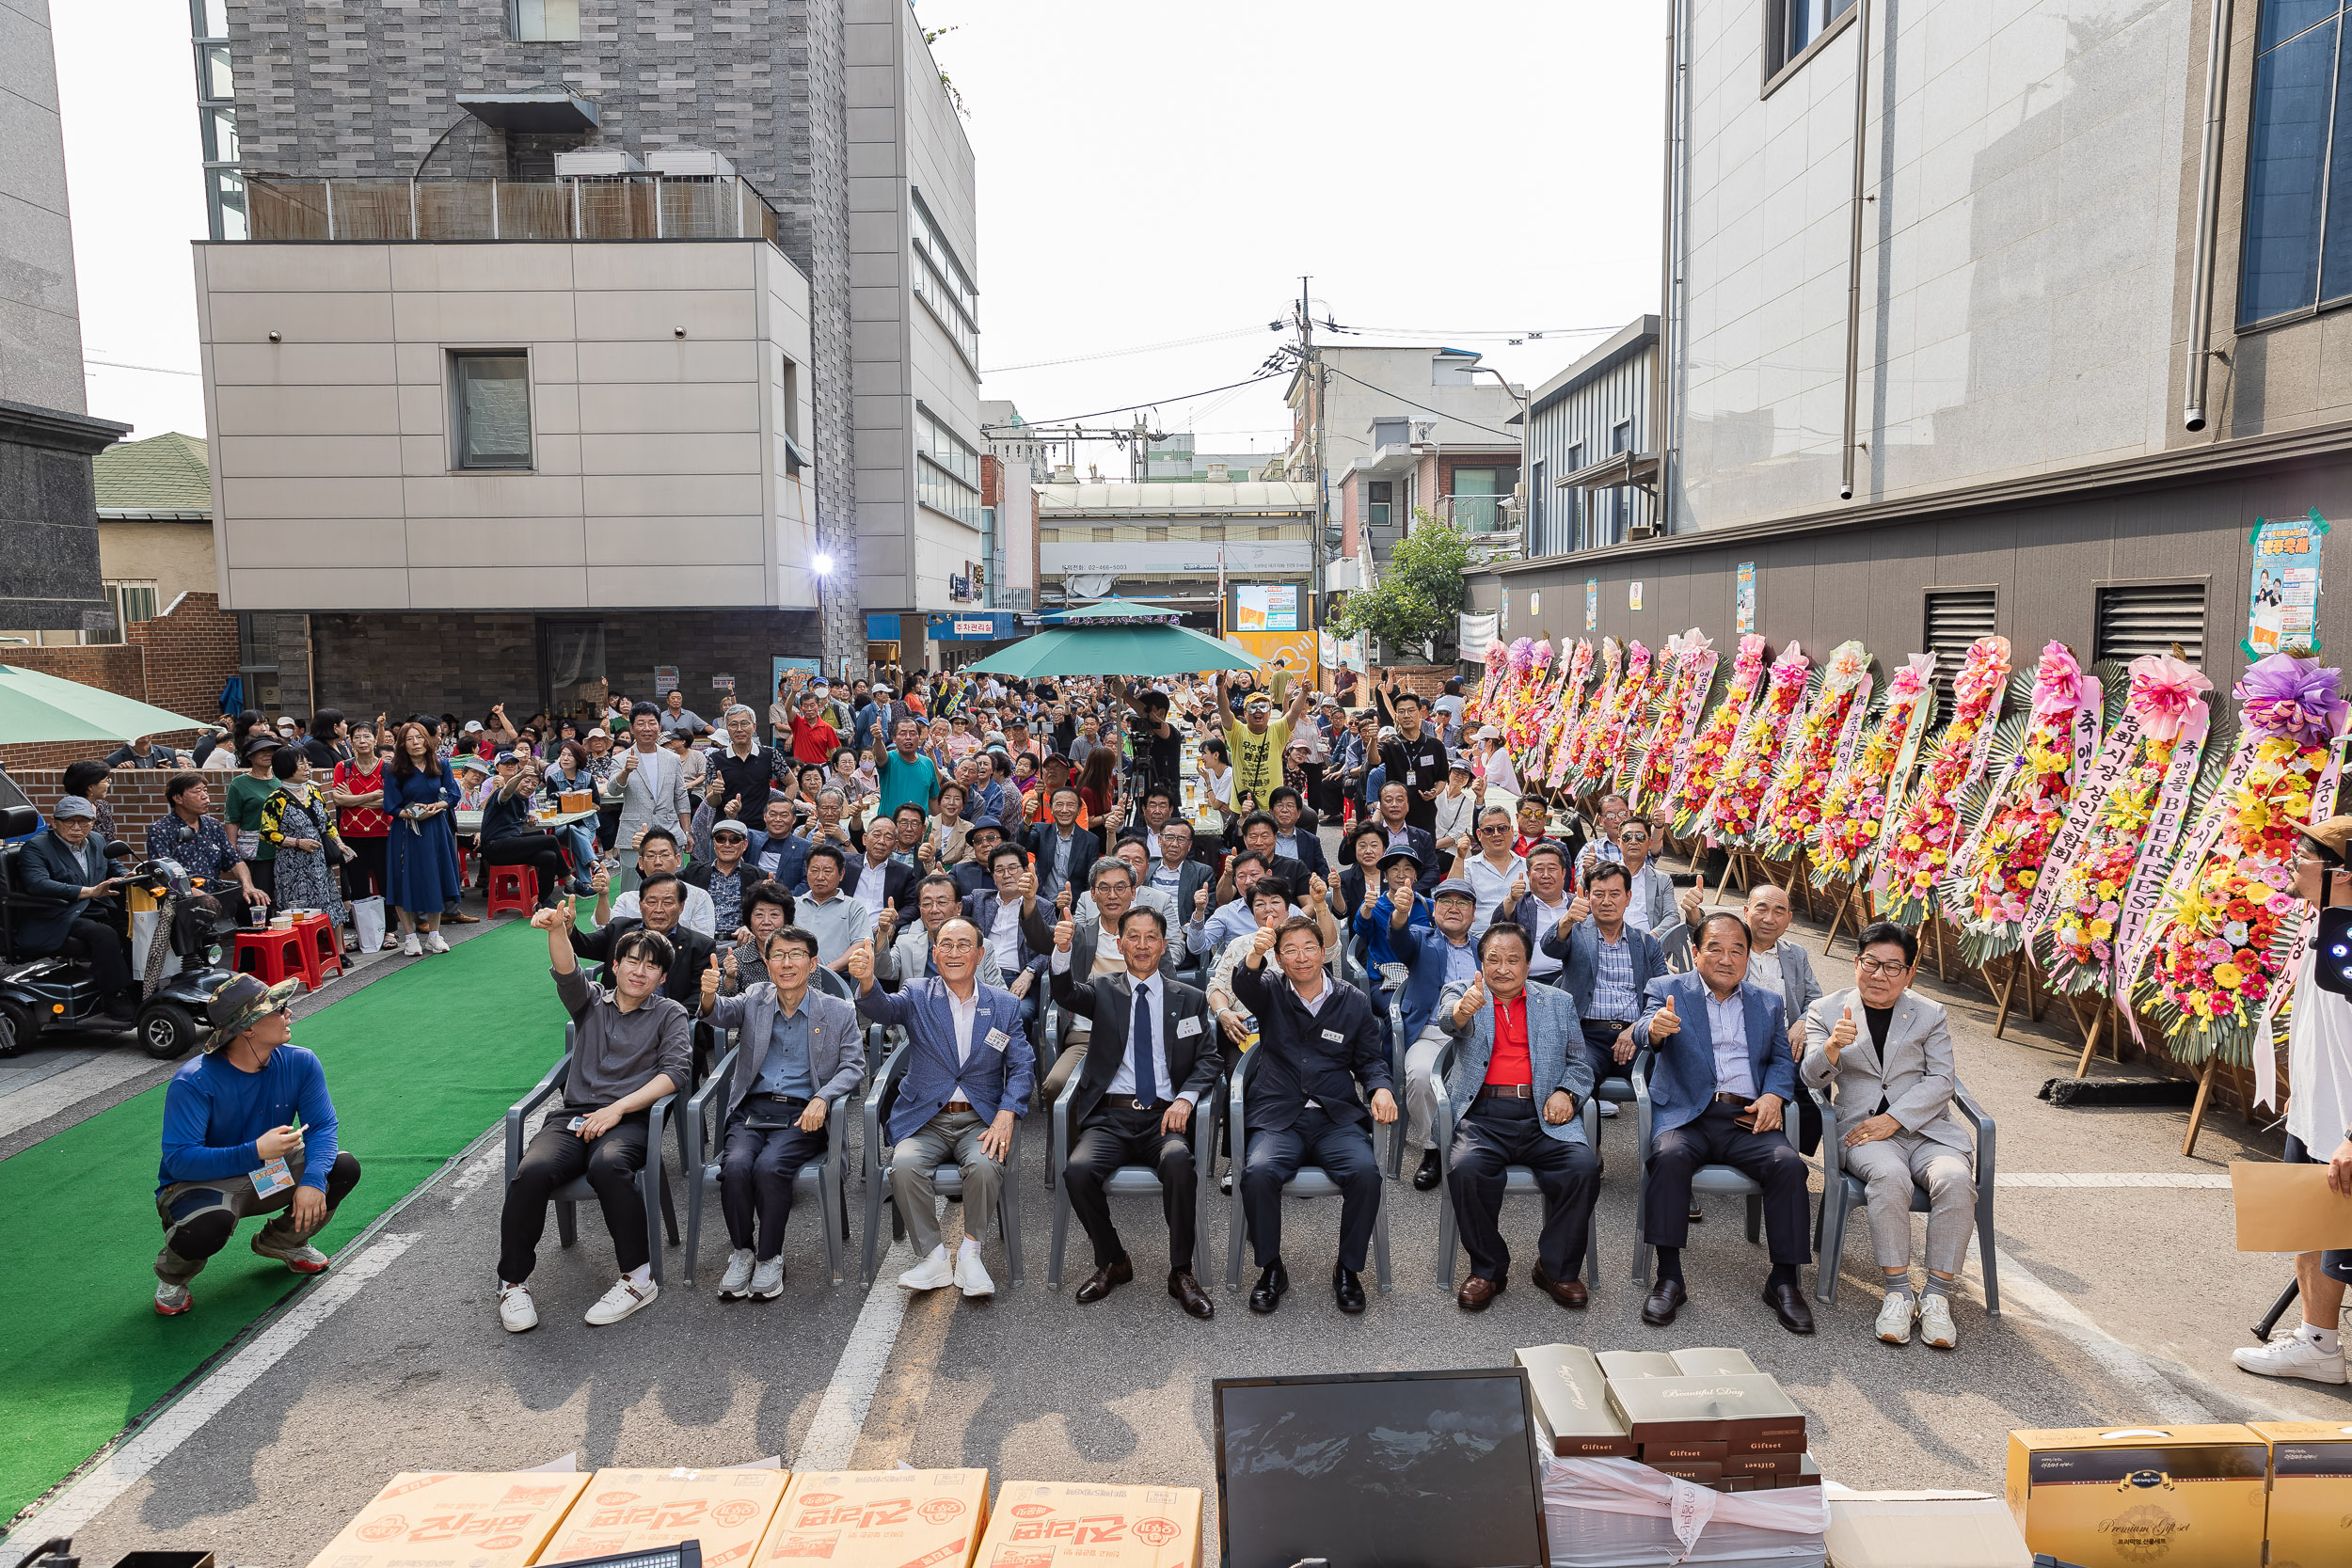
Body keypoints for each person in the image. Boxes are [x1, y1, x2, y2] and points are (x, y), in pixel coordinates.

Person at [501, 897, 691, 1330]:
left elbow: (675, 1074)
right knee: (532, 1172)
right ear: (616, 965)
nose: (639, 971)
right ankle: (512, 1283)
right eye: (631, 962)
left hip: (630, 1119)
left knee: (608, 1167)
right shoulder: (590, 1003)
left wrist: (618, 1109)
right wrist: (556, 929)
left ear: (662, 976)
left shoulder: (669, 1013)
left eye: (650, 966)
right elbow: (567, 970)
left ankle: (638, 1278)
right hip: (573, 1117)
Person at [1633, 911, 1813, 1334]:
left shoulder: (1767, 1003)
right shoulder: (1668, 989)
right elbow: (1645, 1029)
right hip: (1687, 1113)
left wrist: (1773, 1094)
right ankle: (1670, 1277)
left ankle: (1784, 1280)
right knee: (1670, 1157)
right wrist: (1656, 1028)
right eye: (1715, 948)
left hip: (1745, 1116)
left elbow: (1782, 1062)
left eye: (1738, 950)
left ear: (1749, 957)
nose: (1727, 959)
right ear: (1696, 952)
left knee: (1789, 1166)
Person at [1800, 922, 1975, 1350]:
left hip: (1927, 1129)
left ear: (1910, 972)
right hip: (1863, 1133)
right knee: (1890, 1178)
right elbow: (1809, 1076)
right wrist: (1831, 1050)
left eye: (1892, 967)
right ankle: (1897, 1291)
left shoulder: (1930, 1013)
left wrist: (1895, 1119)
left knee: (1955, 1180)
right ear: (1857, 962)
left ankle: (1936, 1296)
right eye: (1871, 963)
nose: (1879, 975)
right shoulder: (1825, 1010)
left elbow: (1942, 1081)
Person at [151, 974, 362, 1315]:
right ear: (247, 1028)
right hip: (201, 1185)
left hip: (267, 1174)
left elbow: (322, 1126)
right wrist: (256, 1152)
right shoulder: (193, 1081)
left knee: (341, 1167)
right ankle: (174, 1276)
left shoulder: (301, 1061)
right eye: (277, 1009)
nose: (288, 1013)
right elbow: (179, 1161)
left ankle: (283, 1243)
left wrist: (312, 1181)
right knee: (209, 1224)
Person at [1048, 903, 1221, 1317]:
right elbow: (1065, 993)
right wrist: (1061, 952)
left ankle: (1180, 1271)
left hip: (1164, 1116)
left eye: (1151, 938)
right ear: (1121, 943)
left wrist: (1186, 1098)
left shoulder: (1190, 999)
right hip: (1110, 1116)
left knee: (1179, 1162)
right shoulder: (1104, 989)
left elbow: (1209, 1059)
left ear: (1164, 945)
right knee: (1077, 1170)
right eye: (1134, 938)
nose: (1142, 946)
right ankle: (1113, 1260)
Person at [849, 919, 1034, 1297]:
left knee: (984, 1165)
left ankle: (970, 1253)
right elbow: (882, 1008)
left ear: (980, 954)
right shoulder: (918, 993)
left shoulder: (1004, 1004)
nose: (953, 952)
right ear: (934, 953)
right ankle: (933, 1256)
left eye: (963, 945)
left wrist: (1006, 1112)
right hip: (925, 1118)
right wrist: (867, 981)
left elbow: (1021, 1065)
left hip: (979, 1117)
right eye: (945, 944)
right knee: (903, 1165)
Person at [1232, 916, 1397, 1314]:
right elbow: (1244, 984)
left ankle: (1347, 1269)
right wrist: (1255, 952)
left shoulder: (1352, 1000)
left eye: (1309, 947)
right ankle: (1271, 1267)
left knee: (1364, 1173)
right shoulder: (1270, 988)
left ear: (1324, 952)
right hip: (1278, 1115)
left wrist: (1381, 1088)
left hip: (1334, 1117)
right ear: (1278, 958)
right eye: (1290, 950)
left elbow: (1371, 1059)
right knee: (1258, 1173)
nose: (1301, 957)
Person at [2237, 820, 2352, 1386]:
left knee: (2339, 1241)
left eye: (2307, 853)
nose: (2292, 859)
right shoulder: (2325, 927)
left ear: (2343, 872)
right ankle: (2318, 1343)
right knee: (2308, 1229)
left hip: (2346, 1128)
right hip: (2314, 1113)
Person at [1439, 924, 1599, 1311]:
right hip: (1484, 1115)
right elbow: (1449, 1020)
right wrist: (1464, 1010)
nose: (1502, 968)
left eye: (1513, 960)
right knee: (1466, 1168)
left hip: (1543, 1114)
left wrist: (1568, 1093)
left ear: (1528, 965)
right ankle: (1489, 1268)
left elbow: (1581, 1065)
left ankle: (1555, 1267)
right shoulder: (1464, 992)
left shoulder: (1558, 1002)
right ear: (1481, 962)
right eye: (1492, 959)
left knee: (1583, 1167)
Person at [704, 925, 866, 1299]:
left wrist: (823, 1098)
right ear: (767, 961)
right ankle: (742, 1252)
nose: (786, 962)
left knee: (770, 1166)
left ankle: (770, 1256)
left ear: (812, 964)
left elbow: (854, 1066)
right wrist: (709, 994)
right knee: (737, 1165)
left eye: (796, 955)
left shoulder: (837, 1010)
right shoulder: (755, 997)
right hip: (754, 1107)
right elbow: (720, 1014)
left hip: (804, 1111)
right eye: (778, 955)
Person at [1543, 861, 1667, 1124]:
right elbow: (1549, 947)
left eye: (1614, 894)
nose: (1606, 901)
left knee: (1667, 1080)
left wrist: (1638, 1029)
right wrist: (1566, 918)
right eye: (1598, 894)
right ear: (1587, 896)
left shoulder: (1647, 943)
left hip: (1635, 1036)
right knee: (1575, 1082)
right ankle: (1591, 1154)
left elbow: (1662, 995)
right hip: (1586, 1036)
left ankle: (1659, 1152)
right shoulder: (1576, 933)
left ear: (1628, 897)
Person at [1390, 878, 1484, 1189]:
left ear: (1473, 912)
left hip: (1478, 1036)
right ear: (1434, 911)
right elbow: (1399, 939)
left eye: (1462, 903)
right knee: (1418, 1075)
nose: (1453, 909)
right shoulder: (1423, 939)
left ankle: (1480, 1147)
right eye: (1445, 902)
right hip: (1431, 1033)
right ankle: (1434, 1149)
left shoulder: (1486, 948)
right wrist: (1400, 914)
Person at [15, 795, 136, 1016]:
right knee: (104, 934)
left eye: (84, 822)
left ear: (92, 822)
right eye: (69, 821)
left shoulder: (98, 841)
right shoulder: (36, 847)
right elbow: (37, 884)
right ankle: (114, 996)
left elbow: (114, 867)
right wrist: (89, 892)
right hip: (57, 913)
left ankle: (137, 987)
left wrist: (127, 876)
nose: (76, 827)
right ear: (54, 822)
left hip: (95, 907)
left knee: (135, 926)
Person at [1740, 881, 1825, 1152]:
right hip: (1742, 1039)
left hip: (1789, 1041)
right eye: (1761, 909)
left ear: (1789, 919)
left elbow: (1815, 998)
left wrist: (1802, 1023)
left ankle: (1795, 1150)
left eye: (1779, 912)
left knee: (1816, 1080)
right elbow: (1701, 932)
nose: (1769, 919)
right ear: (1746, 911)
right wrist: (1694, 914)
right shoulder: (1733, 949)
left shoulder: (1795, 954)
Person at [574, 872, 719, 1013]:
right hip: (615, 1018)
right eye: (651, 902)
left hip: (668, 1025)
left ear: (681, 906)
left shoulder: (700, 946)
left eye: (668, 903)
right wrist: (566, 928)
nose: (659, 910)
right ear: (641, 904)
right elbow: (583, 946)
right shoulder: (619, 929)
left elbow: (698, 996)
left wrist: (666, 1019)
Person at [260, 746, 354, 945]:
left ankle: (338, 951)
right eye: (300, 764)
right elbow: (267, 833)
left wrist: (339, 843)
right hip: (293, 866)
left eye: (306, 763)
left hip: (320, 862)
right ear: (285, 768)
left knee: (330, 903)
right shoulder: (276, 799)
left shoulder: (313, 790)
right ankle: (306, 951)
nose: (306, 768)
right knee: (300, 910)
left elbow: (327, 822)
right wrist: (297, 843)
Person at [382, 721, 461, 956]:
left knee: (434, 879)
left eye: (419, 738)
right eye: (409, 739)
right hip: (406, 830)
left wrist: (438, 806)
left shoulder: (441, 764)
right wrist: (412, 813)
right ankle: (410, 937)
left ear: (427, 740)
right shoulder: (394, 769)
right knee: (402, 880)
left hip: (436, 828)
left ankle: (434, 936)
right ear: (401, 744)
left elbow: (454, 794)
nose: (415, 743)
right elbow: (391, 805)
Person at [148, 773, 271, 921]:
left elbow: (235, 860)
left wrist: (248, 886)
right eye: (197, 792)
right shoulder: (160, 829)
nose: (205, 796)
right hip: (181, 900)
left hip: (214, 895)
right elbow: (162, 875)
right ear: (178, 798)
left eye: (205, 791)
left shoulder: (213, 825)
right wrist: (194, 893)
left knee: (255, 901)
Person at [604, 703, 691, 894]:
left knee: (672, 889)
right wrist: (626, 771)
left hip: (669, 831)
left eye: (652, 723)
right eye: (641, 723)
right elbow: (613, 789)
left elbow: (681, 796)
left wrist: (687, 831)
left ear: (659, 727)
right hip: (633, 835)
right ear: (632, 729)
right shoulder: (621, 758)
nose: (647, 728)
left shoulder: (672, 758)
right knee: (633, 892)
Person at [878, 871, 1009, 989]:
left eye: (942, 902)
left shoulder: (982, 946)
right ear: (920, 910)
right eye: (927, 904)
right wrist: (883, 931)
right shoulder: (906, 944)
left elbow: (1000, 994)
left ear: (959, 908)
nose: (934, 910)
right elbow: (882, 970)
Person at [1215, 668, 1311, 812]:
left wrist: (1303, 692)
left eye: (1263, 707)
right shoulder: (1237, 731)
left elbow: (1294, 713)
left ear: (1269, 712)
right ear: (1245, 713)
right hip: (1243, 804)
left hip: (1271, 805)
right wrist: (1221, 689)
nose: (1258, 711)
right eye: (1253, 707)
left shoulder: (1277, 731)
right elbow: (1224, 712)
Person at [598, 826, 717, 936]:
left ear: (678, 860)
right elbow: (606, 933)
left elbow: (703, 945)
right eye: (650, 856)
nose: (658, 862)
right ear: (640, 863)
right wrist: (603, 896)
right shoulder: (626, 900)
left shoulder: (698, 897)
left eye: (665, 855)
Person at [329, 722, 393, 920]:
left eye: (367, 736)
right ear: (350, 741)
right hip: (351, 834)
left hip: (383, 833)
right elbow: (338, 800)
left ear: (376, 740)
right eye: (357, 737)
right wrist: (374, 795)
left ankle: (390, 931)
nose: (362, 741)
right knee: (358, 887)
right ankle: (365, 933)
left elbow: (391, 802)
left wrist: (354, 800)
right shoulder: (343, 767)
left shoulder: (388, 768)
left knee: (386, 883)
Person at [1498, 840, 1579, 991]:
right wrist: (1511, 899)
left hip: (1572, 981)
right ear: (1528, 875)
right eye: (1539, 869)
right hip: (1529, 983)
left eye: (1552, 869)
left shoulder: (1577, 904)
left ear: (1563, 873)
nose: (1546, 875)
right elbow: (1498, 926)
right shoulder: (1520, 903)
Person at [1374, 678, 1450, 833]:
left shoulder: (1435, 745)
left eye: (1411, 710)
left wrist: (1434, 792)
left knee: (1424, 854)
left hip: (1425, 813)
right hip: (1395, 814)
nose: (1406, 715)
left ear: (1420, 711)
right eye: (1401, 712)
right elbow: (1373, 759)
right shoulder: (1390, 744)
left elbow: (1442, 779)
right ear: (1396, 716)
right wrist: (1372, 741)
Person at [794, 843, 876, 970]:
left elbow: (862, 943)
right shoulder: (794, 905)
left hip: (837, 978)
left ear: (841, 874)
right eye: (814, 870)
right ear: (807, 871)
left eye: (827, 871)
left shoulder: (853, 907)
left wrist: (828, 971)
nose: (820, 877)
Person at [1451, 805, 1527, 938]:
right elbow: (1452, 895)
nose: (1496, 834)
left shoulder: (1528, 866)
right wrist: (1460, 857)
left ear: (1512, 831)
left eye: (1502, 828)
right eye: (1489, 830)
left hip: (1522, 938)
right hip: (1480, 938)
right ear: (1479, 835)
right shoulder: (1468, 866)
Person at [1024, 786, 1101, 909]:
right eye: (1059, 805)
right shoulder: (1041, 831)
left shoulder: (1090, 841)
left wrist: (1084, 908)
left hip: (1075, 907)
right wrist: (1028, 818)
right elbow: (1023, 843)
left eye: (1070, 805)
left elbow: (1090, 880)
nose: (1064, 810)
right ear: (1052, 808)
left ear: (1079, 810)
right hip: (1042, 904)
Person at [683, 817, 760, 936]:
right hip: (700, 945)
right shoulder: (693, 872)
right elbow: (661, 882)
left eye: (734, 840)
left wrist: (751, 928)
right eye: (721, 839)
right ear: (714, 843)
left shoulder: (758, 876)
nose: (727, 844)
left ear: (744, 845)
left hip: (740, 945)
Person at [1374, 782, 1442, 895]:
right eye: (1389, 800)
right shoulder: (1371, 833)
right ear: (1380, 806)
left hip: (1412, 896)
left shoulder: (1422, 836)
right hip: (1376, 895)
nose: (1394, 804)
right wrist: (1351, 834)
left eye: (1400, 800)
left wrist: (1411, 890)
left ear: (1408, 806)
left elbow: (1433, 871)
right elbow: (1345, 859)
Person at [873, 716, 944, 820]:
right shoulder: (889, 759)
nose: (908, 737)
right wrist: (878, 739)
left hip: (918, 829)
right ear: (894, 739)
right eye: (902, 733)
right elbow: (880, 755)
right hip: (890, 828)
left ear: (919, 739)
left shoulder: (927, 763)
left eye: (913, 733)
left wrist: (942, 826)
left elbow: (933, 799)